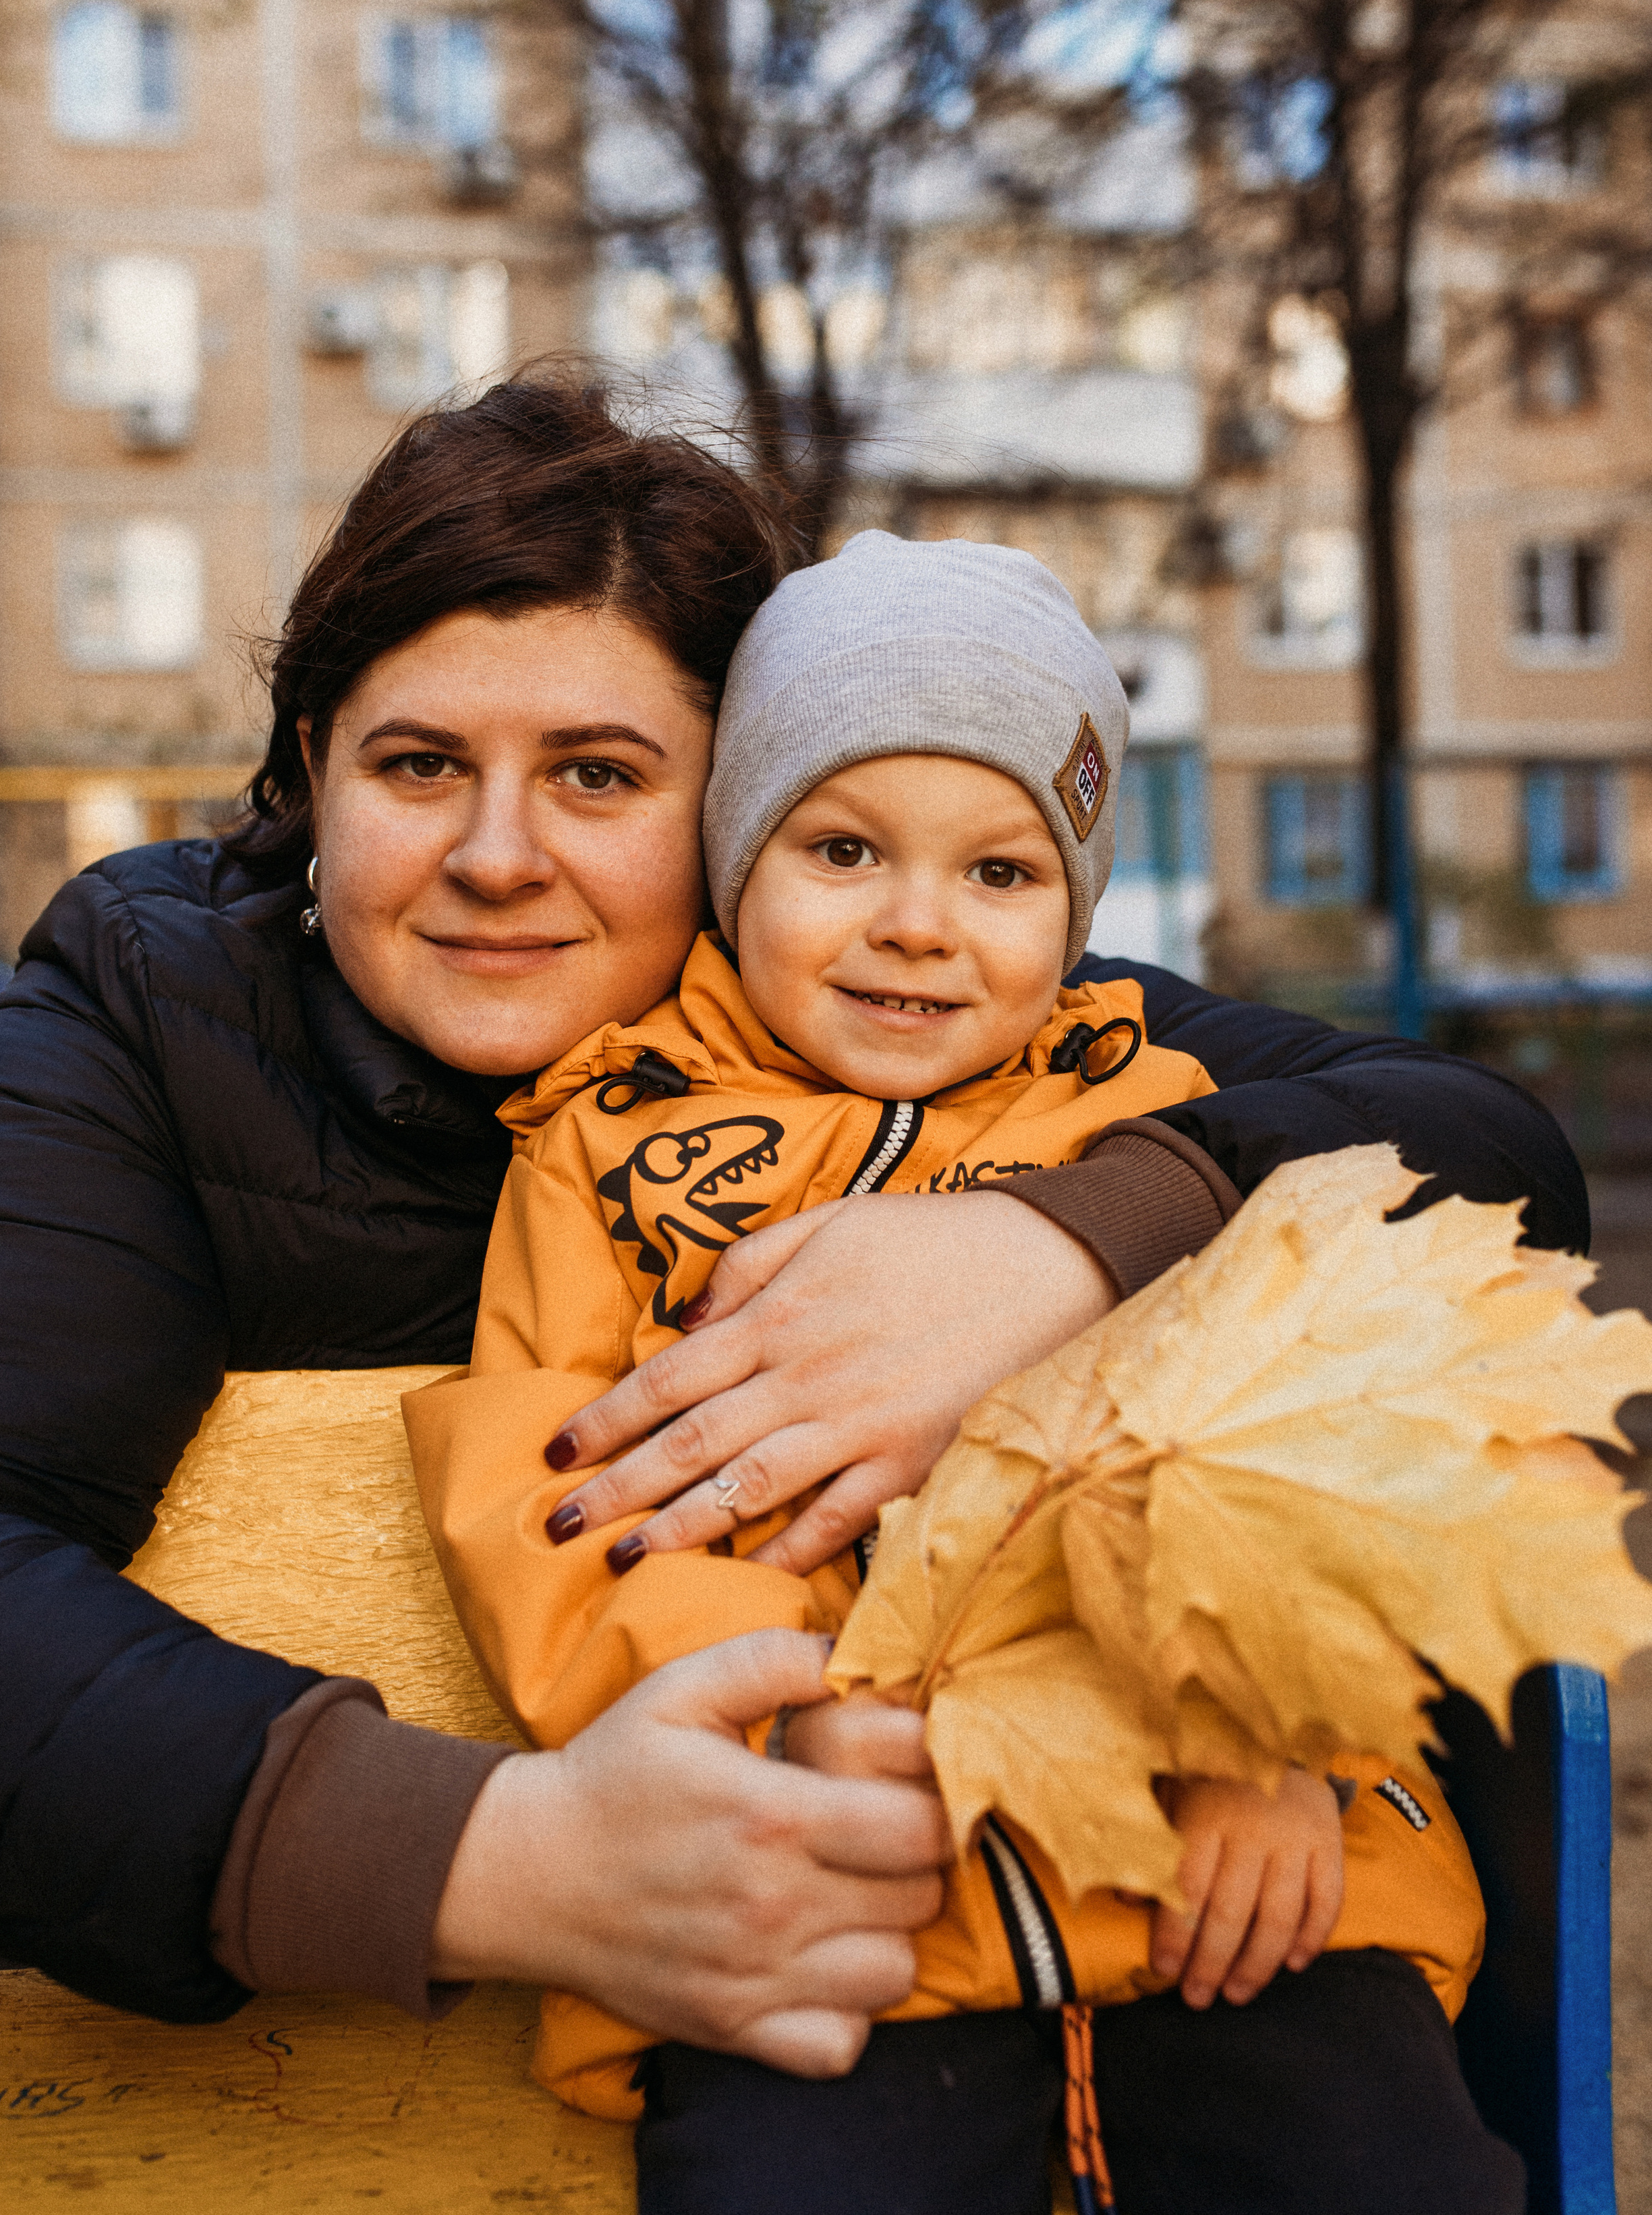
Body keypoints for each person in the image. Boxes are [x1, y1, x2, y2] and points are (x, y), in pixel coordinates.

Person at [0, 376, 1577, 2188]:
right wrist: (503, 1854)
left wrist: (1057, 1242)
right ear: (313, 762)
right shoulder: (158, 1020)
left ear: (734, 808)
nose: (496, 854)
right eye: (417, 764)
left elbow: (1480, 1155)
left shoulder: (929, 1019)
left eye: (601, 775)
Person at [407, 532, 1517, 2214]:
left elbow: (1325, 1432)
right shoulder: (609, 1151)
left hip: (1234, 1870)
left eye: (999, 874)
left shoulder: (1154, 1135)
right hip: (833, 1903)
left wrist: (1275, 1731)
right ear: (733, 863)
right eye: (842, 848)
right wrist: (769, 1724)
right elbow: (550, 1475)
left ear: (1073, 909)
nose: (917, 926)